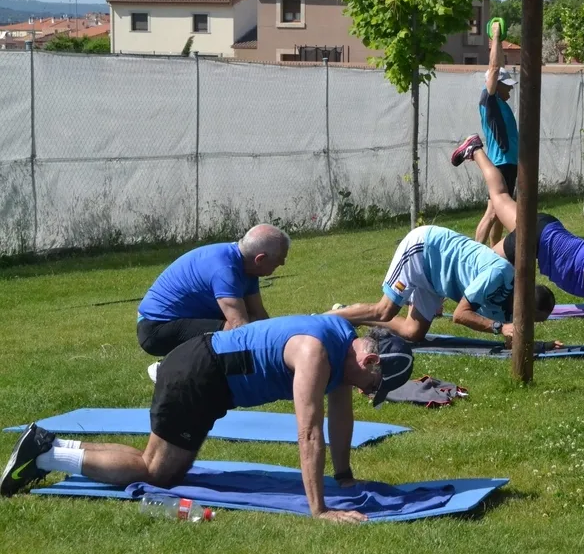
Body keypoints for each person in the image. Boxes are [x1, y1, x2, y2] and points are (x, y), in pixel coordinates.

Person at [1, 315, 414, 524]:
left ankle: (47, 446)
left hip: (205, 370)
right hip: (198, 375)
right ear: (371, 358)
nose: (365, 392)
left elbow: (340, 418)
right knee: (157, 472)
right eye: (372, 385)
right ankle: (46, 456)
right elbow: (308, 432)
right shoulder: (316, 353)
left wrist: (344, 475)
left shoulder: (343, 342)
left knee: (161, 463)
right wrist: (319, 509)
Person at [452, 135, 584, 314]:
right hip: (535, 238)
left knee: (499, 196)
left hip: (547, 227)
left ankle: (475, 149)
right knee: (481, 265)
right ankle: (443, 287)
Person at [329, 225, 555, 343]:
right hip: (423, 250)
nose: (532, 324)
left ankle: (348, 314)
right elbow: (460, 315)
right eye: (535, 319)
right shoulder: (500, 274)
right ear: (525, 305)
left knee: (413, 332)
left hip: (436, 280)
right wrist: (498, 327)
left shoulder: (512, 308)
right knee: (384, 310)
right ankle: (321, 320)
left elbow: (510, 342)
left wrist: (542, 346)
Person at [137, 224, 290, 358]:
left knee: (252, 322)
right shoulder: (225, 270)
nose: (282, 263)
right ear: (260, 259)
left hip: (185, 317)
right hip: (156, 328)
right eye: (279, 259)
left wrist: (281, 343)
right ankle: (169, 367)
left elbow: (260, 316)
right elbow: (241, 328)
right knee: (232, 333)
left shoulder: (247, 267)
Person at [475, 20, 520, 247]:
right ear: (496, 85)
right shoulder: (489, 99)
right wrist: (496, 36)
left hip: (508, 163)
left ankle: (494, 252)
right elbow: (493, 68)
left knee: (501, 211)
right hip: (500, 163)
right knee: (493, 211)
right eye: (507, 85)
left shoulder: (500, 102)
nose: (510, 88)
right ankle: (475, 254)